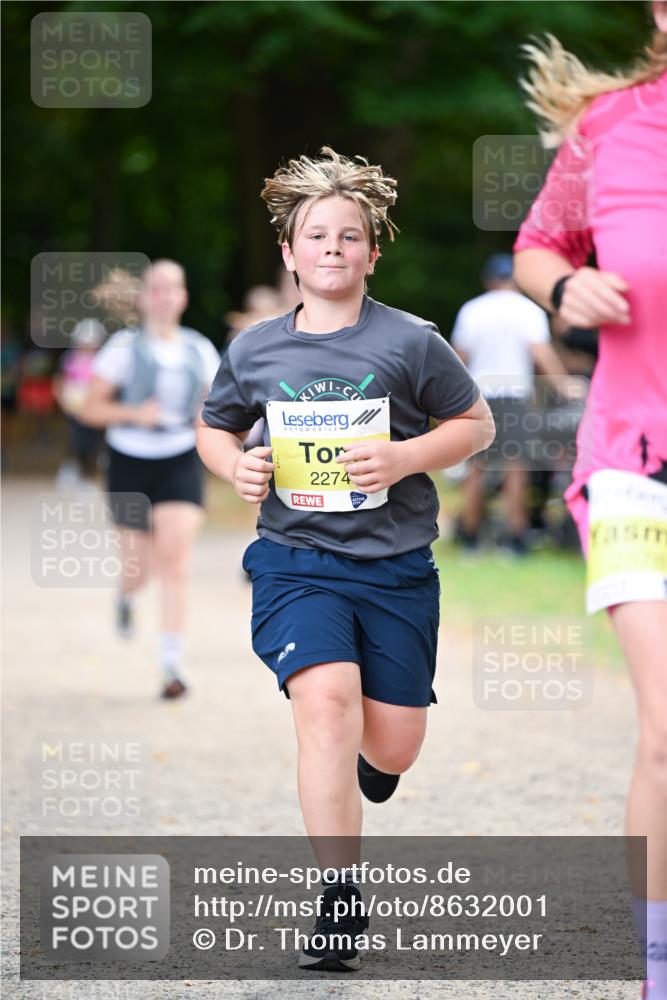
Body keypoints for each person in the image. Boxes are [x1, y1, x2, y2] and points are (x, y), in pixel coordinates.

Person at [197, 146, 494, 971]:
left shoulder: (410, 341)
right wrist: (234, 466)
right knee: (325, 703)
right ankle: (337, 897)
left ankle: (376, 761)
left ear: (371, 253)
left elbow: (476, 426)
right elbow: (215, 426)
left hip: (395, 568)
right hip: (295, 562)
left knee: (392, 744)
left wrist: (403, 457)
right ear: (289, 254)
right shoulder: (256, 349)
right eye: (315, 236)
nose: (332, 247)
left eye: (349, 235)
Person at [513, 9, 667, 997]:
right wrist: (567, 288)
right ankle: (656, 970)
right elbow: (536, 245)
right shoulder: (609, 125)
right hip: (631, 461)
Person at [81, 260, 221, 699]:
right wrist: (133, 413)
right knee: (138, 568)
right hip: (129, 460)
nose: (164, 296)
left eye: (172, 288)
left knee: (175, 561)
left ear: (183, 296)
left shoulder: (200, 349)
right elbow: (90, 408)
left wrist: (208, 418)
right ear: (142, 298)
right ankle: (126, 597)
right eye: (156, 288)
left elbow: (221, 409)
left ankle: (171, 666)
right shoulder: (123, 348)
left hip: (180, 458)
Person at [451, 252, 584, 555]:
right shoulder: (527, 310)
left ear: (488, 280)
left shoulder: (472, 309)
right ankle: (515, 538)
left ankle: (470, 537)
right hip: (514, 395)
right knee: (516, 468)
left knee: (477, 467)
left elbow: (459, 358)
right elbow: (540, 352)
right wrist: (564, 384)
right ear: (515, 279)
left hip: (478, 395)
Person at [53, 318, 105, 487]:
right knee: (77, 440)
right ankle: (73, 470)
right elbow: (60, 381)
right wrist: (63, 401)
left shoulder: (103, 359)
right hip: (75, 408)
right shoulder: (69, 358)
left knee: (93, 442)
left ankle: (87, 474)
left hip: (94, 408)